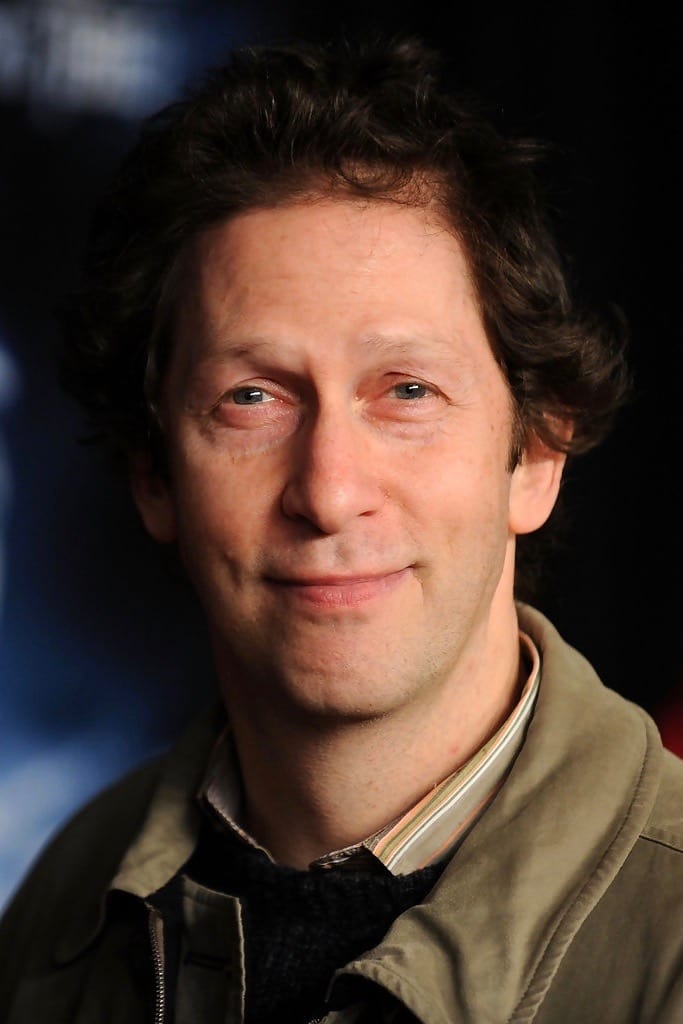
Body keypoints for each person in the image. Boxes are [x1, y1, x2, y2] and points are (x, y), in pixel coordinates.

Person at [1, 35, 681, 1024]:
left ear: (536, 455)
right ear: (152, 476)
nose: (327, 491)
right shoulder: (68, 901)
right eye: (251, 398)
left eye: (406, 391)